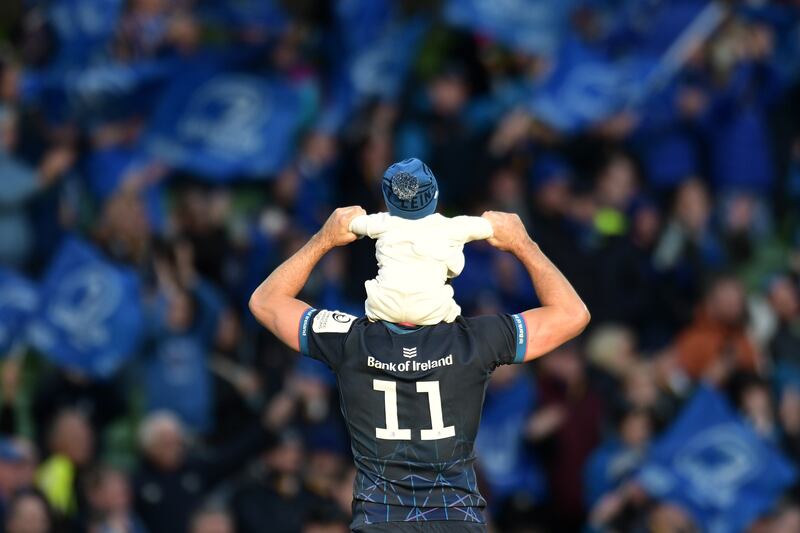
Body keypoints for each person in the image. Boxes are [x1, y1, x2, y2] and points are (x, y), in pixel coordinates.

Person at [249, 206, 590, 531]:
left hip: (381, 522)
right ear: (443, 273)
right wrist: (522, 244)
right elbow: (573, 314)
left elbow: (266, 301)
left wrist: (324, 238)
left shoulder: (349, 339)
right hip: (455, 521)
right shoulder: (475, 339)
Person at [348, 158, 493, 325]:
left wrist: (353, 216)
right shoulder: (446, 226)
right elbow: (487, 226)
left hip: (382, 308)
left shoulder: (383, 222)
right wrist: (494, 222)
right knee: (453, 256)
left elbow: (350, 224)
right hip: (432, 312)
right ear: (434, 196)